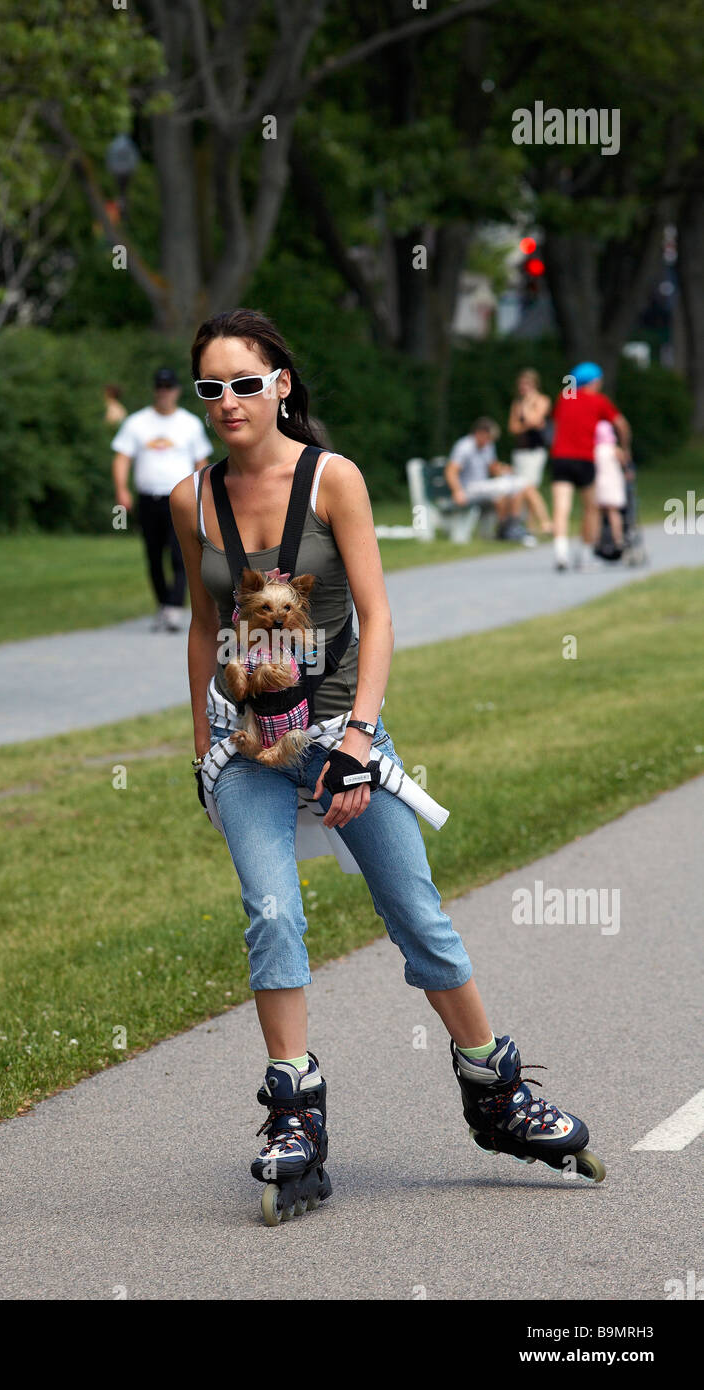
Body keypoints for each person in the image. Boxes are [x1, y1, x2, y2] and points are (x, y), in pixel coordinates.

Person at [169, 307, 603, 1225]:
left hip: (340, 738)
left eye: (247, 383)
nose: (230, 402)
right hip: (247, 749)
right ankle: (294, 1112)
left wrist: (361, 742)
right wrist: (198, 742)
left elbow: (378, 614)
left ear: (282, 384)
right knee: (272, 911)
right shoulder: (190, 498)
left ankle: (496, 1094)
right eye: (212, 387)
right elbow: (205, 628)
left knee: (418, 916)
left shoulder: (334, 480)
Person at [112, 366, 213, 632]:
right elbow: (122, 457)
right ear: (155, 390)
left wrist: (201, 492)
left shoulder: (189, 424)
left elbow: (201, 461)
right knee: (153, 554)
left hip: (179, 498)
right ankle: (162, 603)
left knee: (180, 553)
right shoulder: (137, 423)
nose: (164, 393)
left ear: (177, 391)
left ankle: (174, 608)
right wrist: (121, 489)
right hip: (148, 497)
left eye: (169, 388)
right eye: (160, 388)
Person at [549, 362, 632, 572]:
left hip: (561, 457)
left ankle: (561, 553)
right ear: (594, 381)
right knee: (591, 509)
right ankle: (585, 554)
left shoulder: (564, 397)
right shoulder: (599, 401)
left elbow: (557, 421)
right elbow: (621, 424)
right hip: (585, 458)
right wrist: (625, 448)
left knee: (561, 507)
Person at [444, 418, 537, 546]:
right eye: (487, 437)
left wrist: (502, 469)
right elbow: (451, 471)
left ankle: (509, 526)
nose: (489, 441)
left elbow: (491, 468)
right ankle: (509, 528)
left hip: (483, 486)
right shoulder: (464, 447)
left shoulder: (487, 446)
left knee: (511, 489)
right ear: (479, 433)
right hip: (469, 488)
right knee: (511, 486)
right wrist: (457, 491)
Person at [507, 368, 553, 535]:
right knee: (525, 489)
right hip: (520, 450)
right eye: (521, 384)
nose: (523, 388)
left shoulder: (541, 400)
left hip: (535, 450)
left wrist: (526, 407)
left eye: (526, 384)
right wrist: (528, 421)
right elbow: (513, 427)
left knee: (528, 487)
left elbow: (534, 420)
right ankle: (530, 525)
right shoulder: (517, 403)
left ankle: (545, 521)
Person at [593, 419, 627, 554]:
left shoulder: (594, 450)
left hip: (598, 484)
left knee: (597, 514)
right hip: (612, 484)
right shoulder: (614, 450)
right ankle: (618, 540)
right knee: (614, 513)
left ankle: (596, 540)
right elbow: (625, 463)